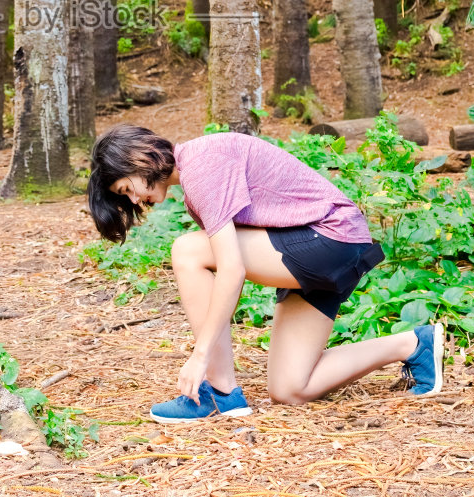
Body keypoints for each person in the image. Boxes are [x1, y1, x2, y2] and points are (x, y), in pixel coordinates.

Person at [86, 123, 443, 423]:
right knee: (291, 388)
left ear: (140, 158)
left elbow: (232, 269)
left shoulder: (202, 166)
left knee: (188, 250)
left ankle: (221, 392)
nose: (134, 201)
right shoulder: (198, 170)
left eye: (127, 189)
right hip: (324, 246)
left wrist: (200, 356)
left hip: (329, 238)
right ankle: (414, 345)